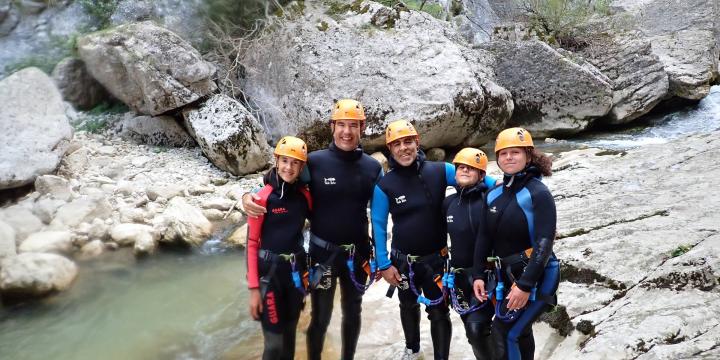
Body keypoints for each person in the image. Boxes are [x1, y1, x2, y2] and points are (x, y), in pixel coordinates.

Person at [243, 99, 383, 360]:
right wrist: (249, 196)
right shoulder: (314, 163)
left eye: (353, 125)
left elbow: (381, 212)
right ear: (332, 126)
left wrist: (382, 257)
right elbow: (281, 180)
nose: (347, 131)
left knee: (354, 311)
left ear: (362, 128)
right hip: (322, 255)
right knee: (320, 316)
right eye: (341, 124)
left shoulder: (372, 168)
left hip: (359, 254)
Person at [371, 120, 495, 360]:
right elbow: (377, 225)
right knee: (407, 304)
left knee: (438, 312)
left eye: (408, 141)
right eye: (397, 144)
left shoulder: (439, 171)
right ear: (390, 149)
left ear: (417, 142)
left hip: (436, 261)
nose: (403, 148)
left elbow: (477, 177)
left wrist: (504, 189)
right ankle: (412, 349)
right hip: (402, 261)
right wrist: (384, 264)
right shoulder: (385, 185)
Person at [472, 127, 560, 360]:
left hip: (539, 275)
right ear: (497, 159)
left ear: (528, 156)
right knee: (520, 332)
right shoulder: (493, 194)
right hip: (508, 275)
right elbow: (484, 236)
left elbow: (544, 242)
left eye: (515, 152)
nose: (509, 157)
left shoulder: (538, 193)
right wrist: (478, 274)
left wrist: (525, 285)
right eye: (503, 153)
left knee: (506, 331)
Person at [246, 136, 312, 360]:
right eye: (284, 161)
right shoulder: (262, 198)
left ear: (302, 167)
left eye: (295, 163)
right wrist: (254, 289)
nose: (289, 167)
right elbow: (252, 243)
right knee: (274, 345)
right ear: (276, 160)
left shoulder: (304, 197)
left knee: (290, 340)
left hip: (295, 275)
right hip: (270, 277)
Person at [442, 147, 495, 360]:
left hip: (486, 276)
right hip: (459, 277)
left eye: (471, 168)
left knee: (476, 330)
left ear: (482, 174)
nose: (464, 170)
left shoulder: (490, 199)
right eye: (461, 167)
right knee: (473, 333)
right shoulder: (449, 203)